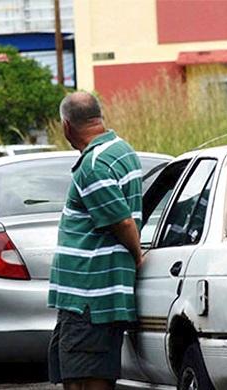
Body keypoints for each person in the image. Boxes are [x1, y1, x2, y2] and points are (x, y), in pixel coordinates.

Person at [48, 92, 144, 390]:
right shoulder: (122, 150)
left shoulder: (93, 165)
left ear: (66, 127)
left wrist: (138, 255)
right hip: (93, 295)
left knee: (83, 380)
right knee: (84, 372)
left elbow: (123, 221)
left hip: (88, 296)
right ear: (99, 117)